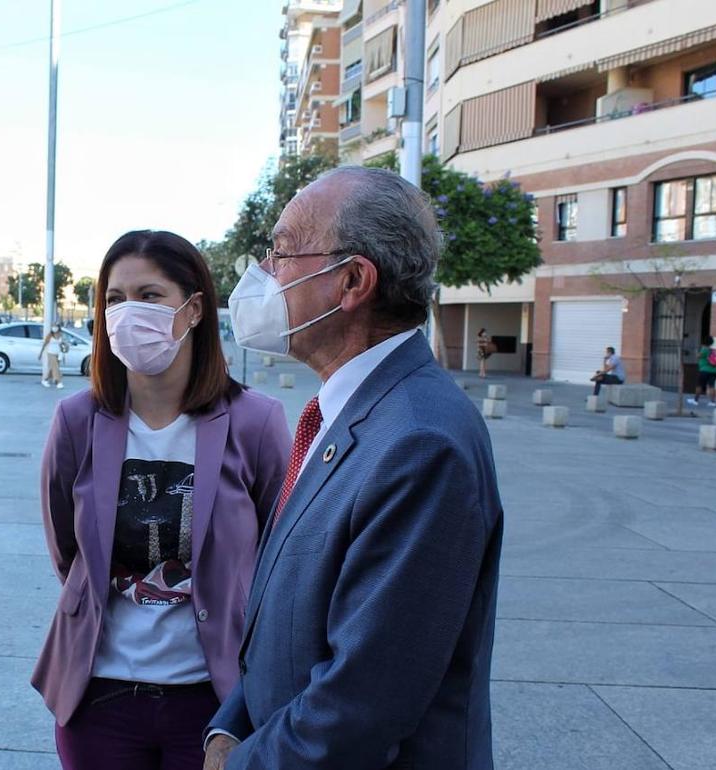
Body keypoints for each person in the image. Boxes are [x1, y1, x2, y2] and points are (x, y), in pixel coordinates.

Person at [207, 166, 503, 769]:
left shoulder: (420, 441)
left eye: (283, 251)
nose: (263, 273)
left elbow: (361, 704)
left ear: (351, 281)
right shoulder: (345, 413)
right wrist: (229, 727)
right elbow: (284, 631)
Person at [33, 230, 291, 770]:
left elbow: (280, 551)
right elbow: (67, 550)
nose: (129, 313)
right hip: (98, 696)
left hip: (213, 699)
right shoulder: (78, 421)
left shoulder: (255, 421)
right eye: (114, 299)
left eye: (149, 296)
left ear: (194, 309)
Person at [687, 338, 716, 407]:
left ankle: (695, 400)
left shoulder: (704, 350)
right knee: (712, 386)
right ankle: (713, 402)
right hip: (715, 371)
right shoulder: (713, 350)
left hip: (704, 370)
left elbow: (698, 356)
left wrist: (696, 351)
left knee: (699, 385)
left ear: (703, 343)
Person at [39, 323, 69, 389]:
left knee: (52, 368)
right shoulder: (50, 335)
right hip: (50, 353)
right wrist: (40, 353)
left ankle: (45, 380)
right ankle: (58, 382)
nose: (54, 328)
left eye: (55, 326)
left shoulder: (60, 335)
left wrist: (65, 347)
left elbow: (61, 344)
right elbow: (44, 344)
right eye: (53, 326)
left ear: (58, 327)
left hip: (58, 353)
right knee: (56, 368)